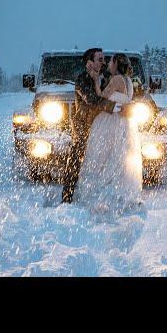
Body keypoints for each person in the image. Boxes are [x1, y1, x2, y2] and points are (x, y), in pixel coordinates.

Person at [72, 53, 144, 216]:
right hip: (122, 122)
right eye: (103, 60)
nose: (107, 64)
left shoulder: (117, 79)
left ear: (116, 63)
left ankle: (101, 194)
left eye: (110, 61)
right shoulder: (127, 80)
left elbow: (100, 96)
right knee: (118, 157)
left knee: (102, 157)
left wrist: (96, 80)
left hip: (111, 121)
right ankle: (120, 193)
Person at [62, 48, 115, 203]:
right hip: (83, 126)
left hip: (102, 126)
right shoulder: (82, 79)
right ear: (89, 62)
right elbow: (91, 99)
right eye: (100, 59)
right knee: (76, 159)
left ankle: (98, 197)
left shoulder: (105, 77)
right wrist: (112, 106)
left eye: (104, 59)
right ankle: (67, 197)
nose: (104, 62)